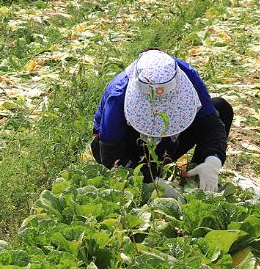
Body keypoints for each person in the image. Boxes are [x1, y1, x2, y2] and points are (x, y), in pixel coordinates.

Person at [91, 49, 233, 192]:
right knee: (141, 181)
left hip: (167, 143)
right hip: (128, 149)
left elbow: (211, 123)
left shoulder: (187, 74)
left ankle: (196, 175)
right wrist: (151, 181)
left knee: (221, 108)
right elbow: (110, 153)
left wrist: (213, 159)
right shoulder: (118, 94)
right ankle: (148, 175)